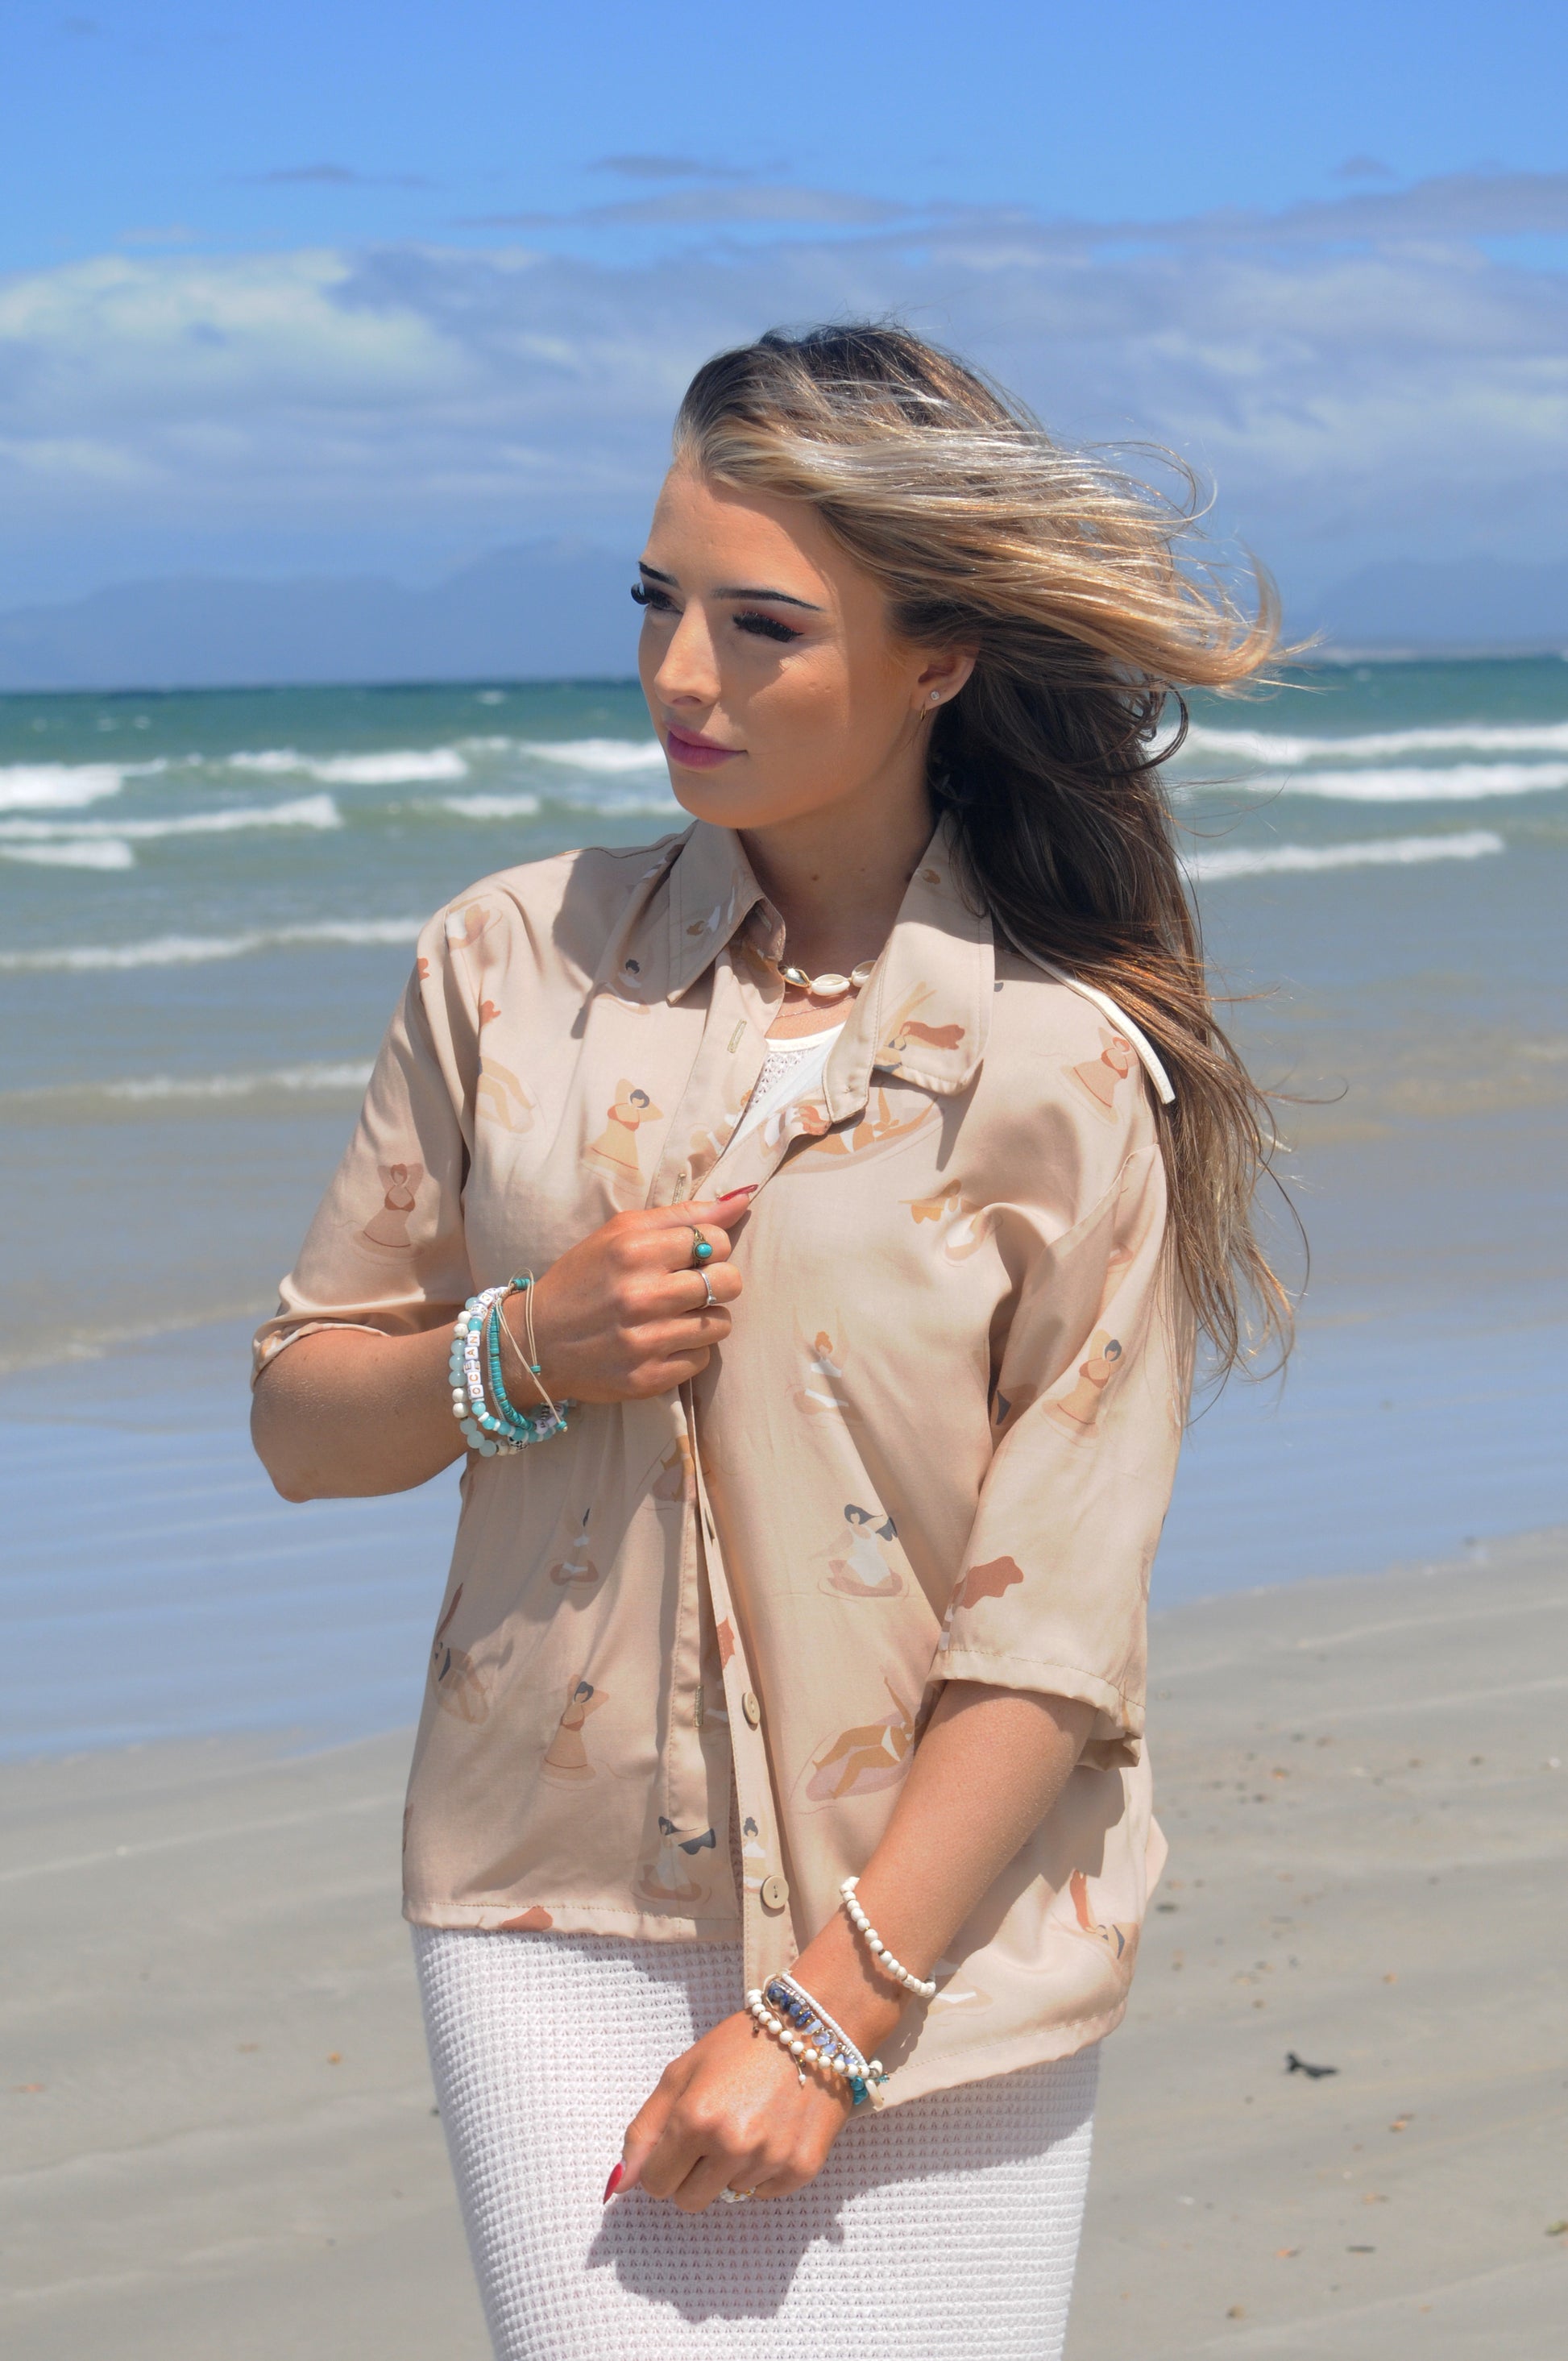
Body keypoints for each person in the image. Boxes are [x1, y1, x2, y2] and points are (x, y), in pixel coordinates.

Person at [251, 324, 1291, 2360]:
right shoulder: (505, 965)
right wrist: (521, 1350)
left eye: (762, 626)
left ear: (940, 656)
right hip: (541, 1907)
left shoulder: (1062, 1067)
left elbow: (1054, 1627)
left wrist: (833, 2010)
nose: (679, 674)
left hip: (934, 1948)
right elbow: (304, 1414)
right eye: (657, 602)